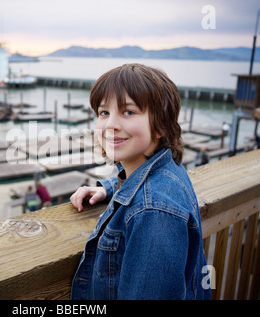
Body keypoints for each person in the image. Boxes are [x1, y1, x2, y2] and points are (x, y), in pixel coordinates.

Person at [69, 64, 211, 300]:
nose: (111, 124)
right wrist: (110, 188)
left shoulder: (155, 212)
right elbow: (146, 181)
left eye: (128, 112)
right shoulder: (168, 170)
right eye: (104, 113)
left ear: (161, 125)